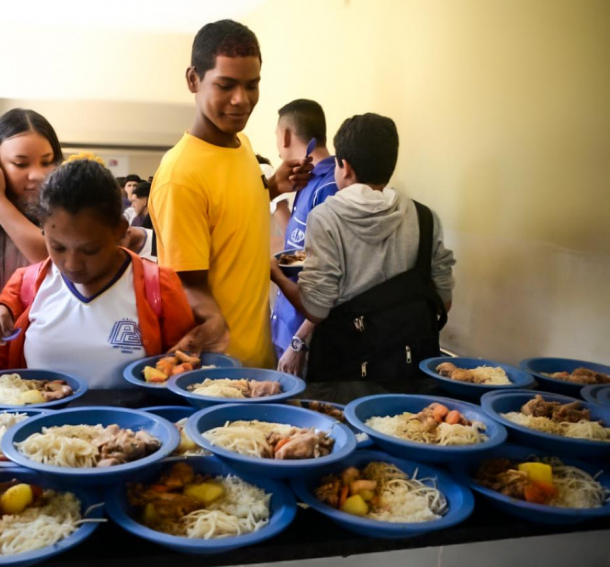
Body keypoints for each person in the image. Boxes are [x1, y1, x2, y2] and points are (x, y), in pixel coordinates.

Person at [148, 20, 312, 368]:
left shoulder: (243, 146)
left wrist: (272, 188)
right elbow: (185, 284)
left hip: (260, 356)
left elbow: (230, 220)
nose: (242, 100)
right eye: (226, 85)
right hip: (216, 374)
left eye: (252, 85)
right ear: (194, 79)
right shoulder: (181, 175)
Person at [0, 159, 195, 388]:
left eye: (90, 250)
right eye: (57, 247)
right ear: (42, 227)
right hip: (39, 428)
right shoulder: (25, 286)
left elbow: (183, 372)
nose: (72, 264)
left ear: (121, 230)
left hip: (131, 430)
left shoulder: (158, 287)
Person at [270, 113, 455, 395]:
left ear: (344, 167)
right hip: (410, 376)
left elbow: (317, 308)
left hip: (342, 378)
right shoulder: (426, 218)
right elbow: (443, 302)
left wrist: (276, 274)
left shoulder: (326, 218)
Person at [0, 108, 62, 317]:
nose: (38, 175)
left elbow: (56, 259)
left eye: (46, 162)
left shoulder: (66, 213)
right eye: (21, 164)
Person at [271, 99, 338, 377]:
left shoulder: (332, 185)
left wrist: (299, 342)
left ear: (286, 136)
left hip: (307, 336)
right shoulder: (306, 179)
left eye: (277, 136)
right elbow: (300, 245)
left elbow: (332, 271)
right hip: (287, 324)